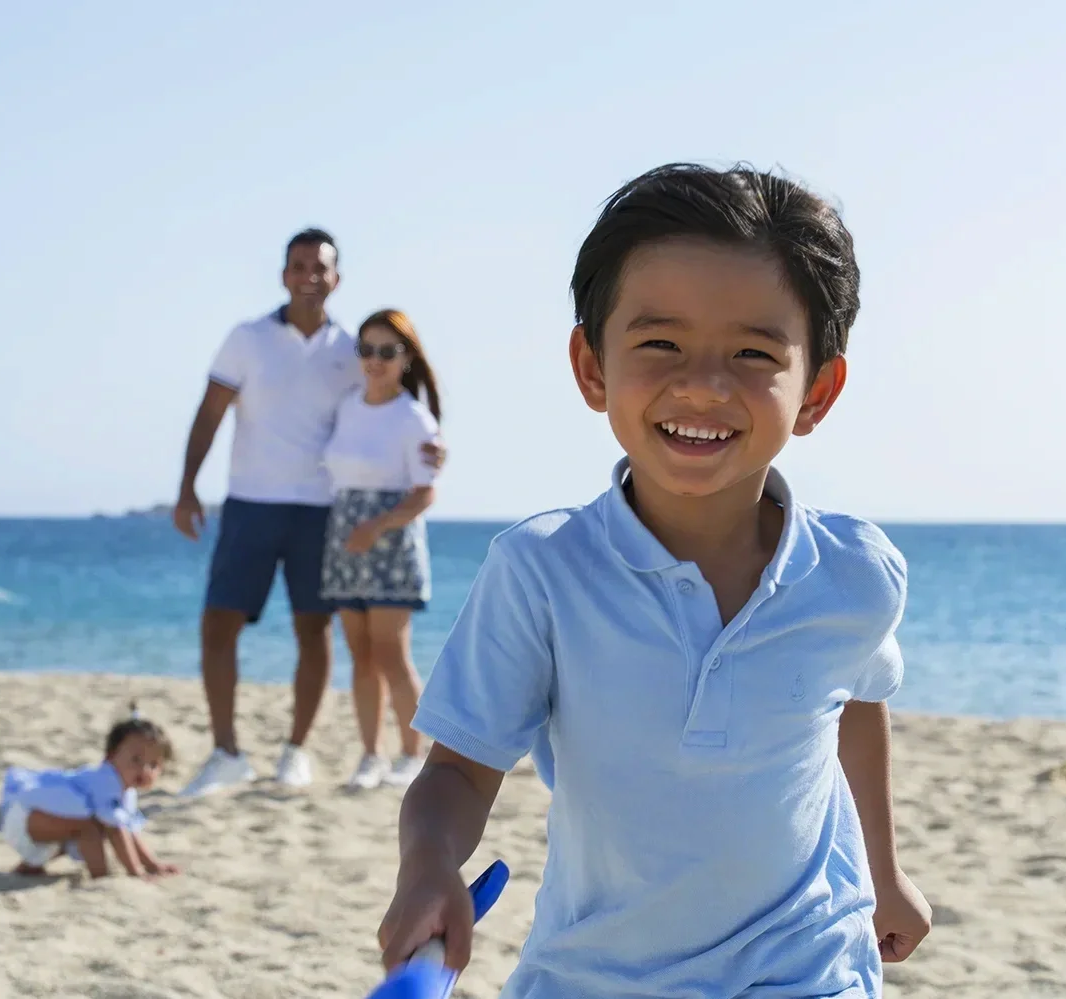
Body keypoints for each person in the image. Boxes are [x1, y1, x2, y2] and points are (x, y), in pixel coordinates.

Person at [377, 163, 932, 998]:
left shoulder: (855, 572)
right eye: (660, 343)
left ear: (816, 389)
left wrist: (885, 872)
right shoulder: (543, 572)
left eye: (753, 352)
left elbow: (856, 700)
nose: (704, 384)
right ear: (593, 366)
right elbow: (459, 771)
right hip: (593, 975)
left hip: (807, 970)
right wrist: (426, 867)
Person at [173, 230, 444, 795]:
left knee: (312, 630)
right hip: (250, 502)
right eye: (298, 266)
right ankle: (225, 753)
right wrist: (187, 486)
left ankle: (296, 752)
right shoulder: (246, 339)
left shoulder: (352, 350)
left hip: (322, 512)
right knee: (217, 623)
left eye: (319, 268)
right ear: (283, 274)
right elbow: (210, 412)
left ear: (336, 278)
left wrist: (433, 450)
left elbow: (391, 401)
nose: (308, 276)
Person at [319, 309, 442, 790]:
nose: (374, 360)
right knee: (361, 655)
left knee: (392, 653)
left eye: (386, 351)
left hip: (390, 540)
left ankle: (412, 754)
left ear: (405, 357)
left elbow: (425, 490)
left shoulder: (414, 417)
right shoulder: (347, 405)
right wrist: (357, 530)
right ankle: (371, 755)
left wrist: (379, 526)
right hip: (345, 537)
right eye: (366, 350)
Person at [0, 703, 179, 879]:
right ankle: (100, 876)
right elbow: (117, 831)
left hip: (35, 824)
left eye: (153, 765)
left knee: (84, 825)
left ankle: (30, 865)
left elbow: (129, 830)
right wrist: (136, 872)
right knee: (89, 829)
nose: (144, 770)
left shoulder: (125, 791)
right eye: (136, 760)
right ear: (110, 756)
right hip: (24, 819)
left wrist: (153, 865)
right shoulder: (106, 781)